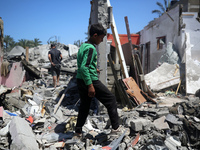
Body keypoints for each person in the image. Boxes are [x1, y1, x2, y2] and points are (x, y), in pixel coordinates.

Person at [74, 23, 128, 139]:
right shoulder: (91, 48)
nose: (102, 40)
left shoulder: (83, 46)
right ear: (95, 35)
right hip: (90, 81)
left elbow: (83, 64)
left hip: (80, 79)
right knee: (111, 99)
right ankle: (116, 128)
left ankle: (78, 131)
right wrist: (90, 85)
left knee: (85, 106)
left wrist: (94, 68)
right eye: (101, 37)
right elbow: (84, 67)